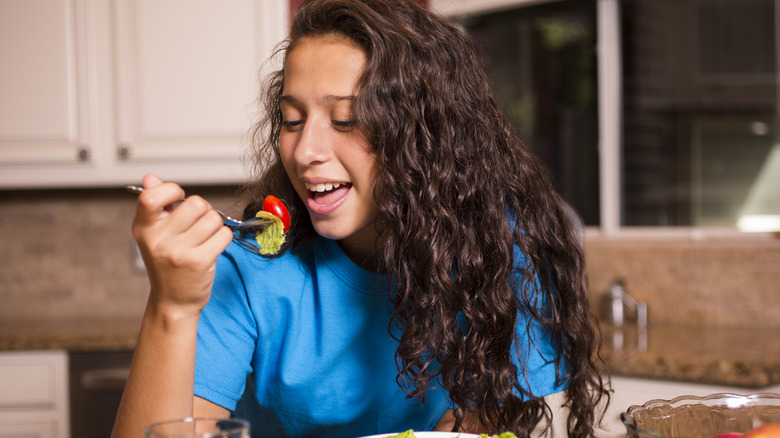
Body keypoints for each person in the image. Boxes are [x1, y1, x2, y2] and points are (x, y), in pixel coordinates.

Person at [112, 0, 610, 437]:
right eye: (291, 120)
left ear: (427, 137)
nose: (305, 150)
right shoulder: (246, 269)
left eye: (346, 120)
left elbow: (475, 424)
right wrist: (172, 307)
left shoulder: (502, 248)